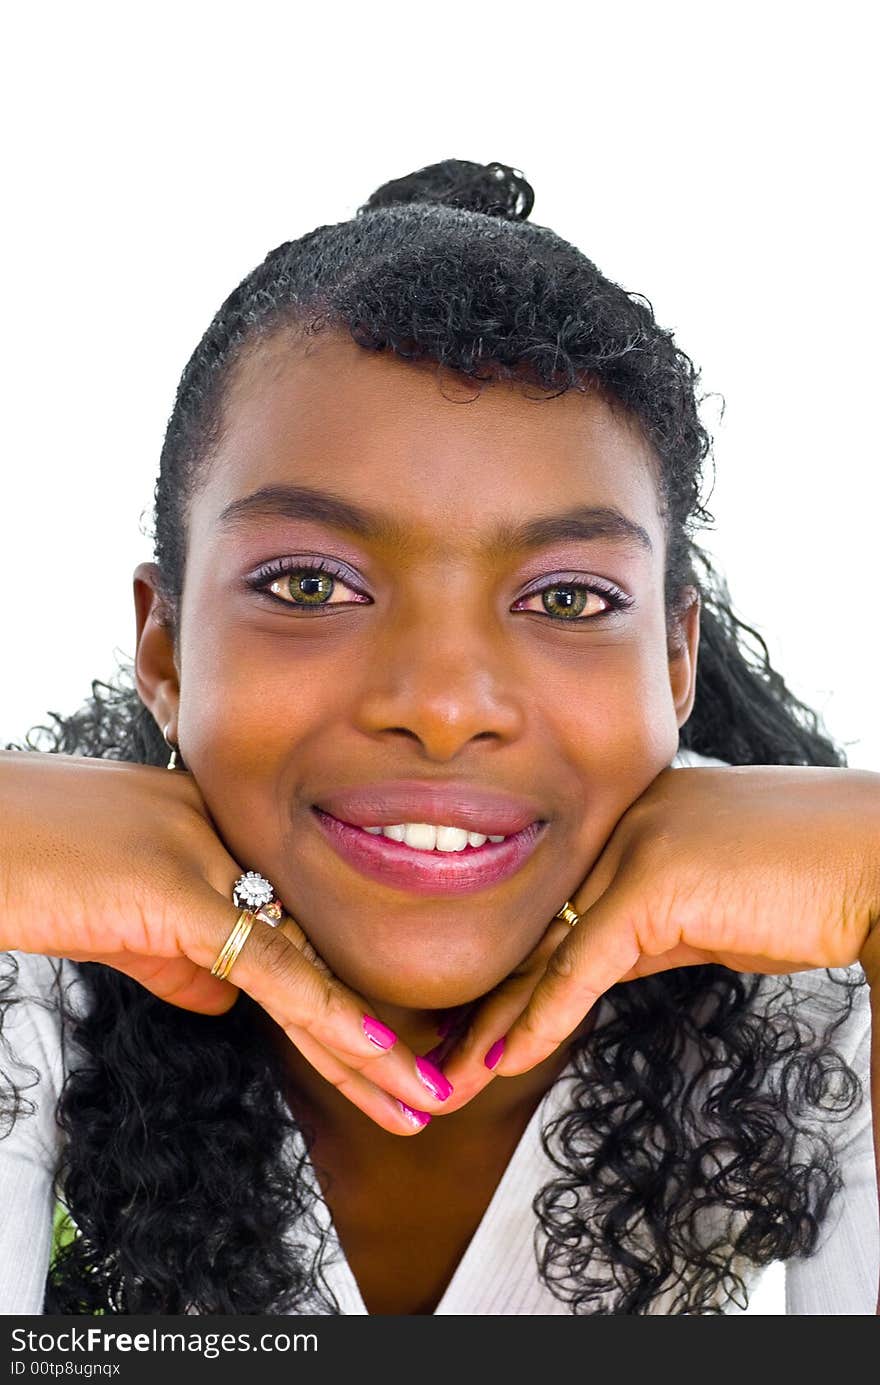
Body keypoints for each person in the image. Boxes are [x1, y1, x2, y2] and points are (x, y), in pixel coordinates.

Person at [1, 159, 878, 1317]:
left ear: (674, 663)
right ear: (162, 651)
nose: (446, 702)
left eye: (566, 598)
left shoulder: (809, 974)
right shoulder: (36, 937)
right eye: (311, 583)